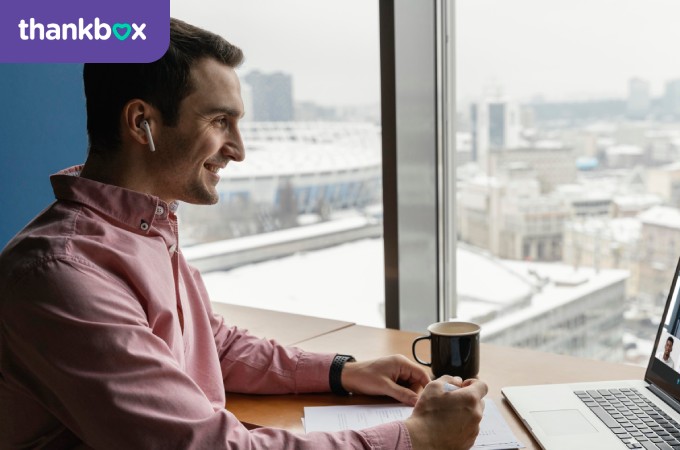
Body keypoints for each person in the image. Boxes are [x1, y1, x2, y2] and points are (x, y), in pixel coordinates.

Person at [0, 18, 488, 449]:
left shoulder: (141, 230)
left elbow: (213, 342)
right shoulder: (64, 274)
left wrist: (342, 371)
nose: (238, 149)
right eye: (219, 121)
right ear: (141, 122)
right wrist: (415, 439)